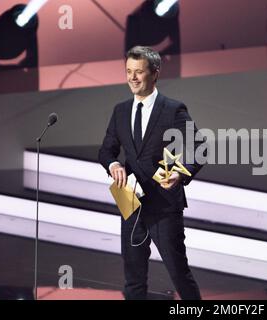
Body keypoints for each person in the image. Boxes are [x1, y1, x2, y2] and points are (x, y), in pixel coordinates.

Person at [98, 46, 203, 300]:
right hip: (130, 202)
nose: (132, 78)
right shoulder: (120, 110)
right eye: (128, 72)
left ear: (155, 74)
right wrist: (113, 165)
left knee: (179, 274)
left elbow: (198, 147)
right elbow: (106, 151)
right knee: (133, 279)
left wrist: (180, 173)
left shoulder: (172, 109)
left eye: (139, 72)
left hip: (164, 205)